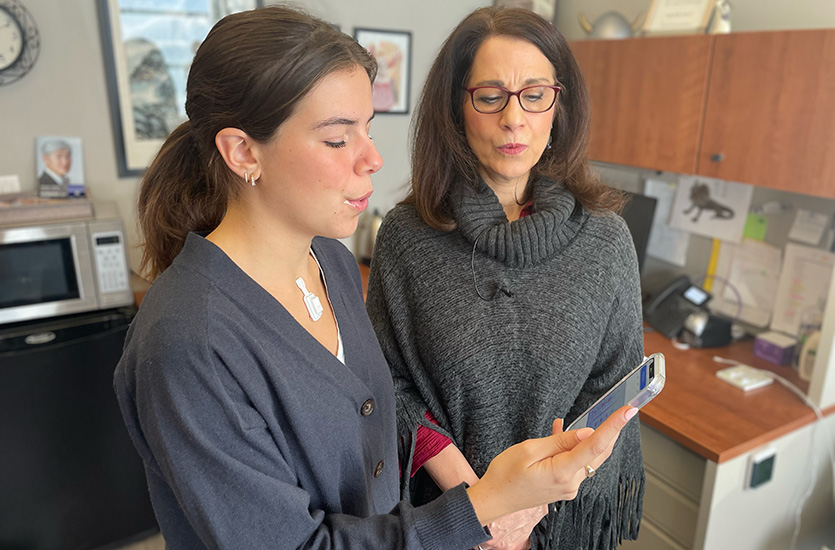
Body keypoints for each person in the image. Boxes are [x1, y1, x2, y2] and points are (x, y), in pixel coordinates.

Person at [113, 6, 638, 550]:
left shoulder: (333, 263)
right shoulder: (188, 343)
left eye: (368, 129)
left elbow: (374, 444)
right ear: (244, 151)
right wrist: (480, 508)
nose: (374, 158)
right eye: (339, 139)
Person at [366, 6, 646, 550]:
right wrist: (480, 507)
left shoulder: (607, 241)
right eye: (490, 96)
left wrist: (525, 514)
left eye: (534, 93)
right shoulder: (406, 237)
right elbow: (386, 385)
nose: (514, 119)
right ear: (457, 108)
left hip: (563, 524)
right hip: (440, 520)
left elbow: (613, 399)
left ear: (558, 106)